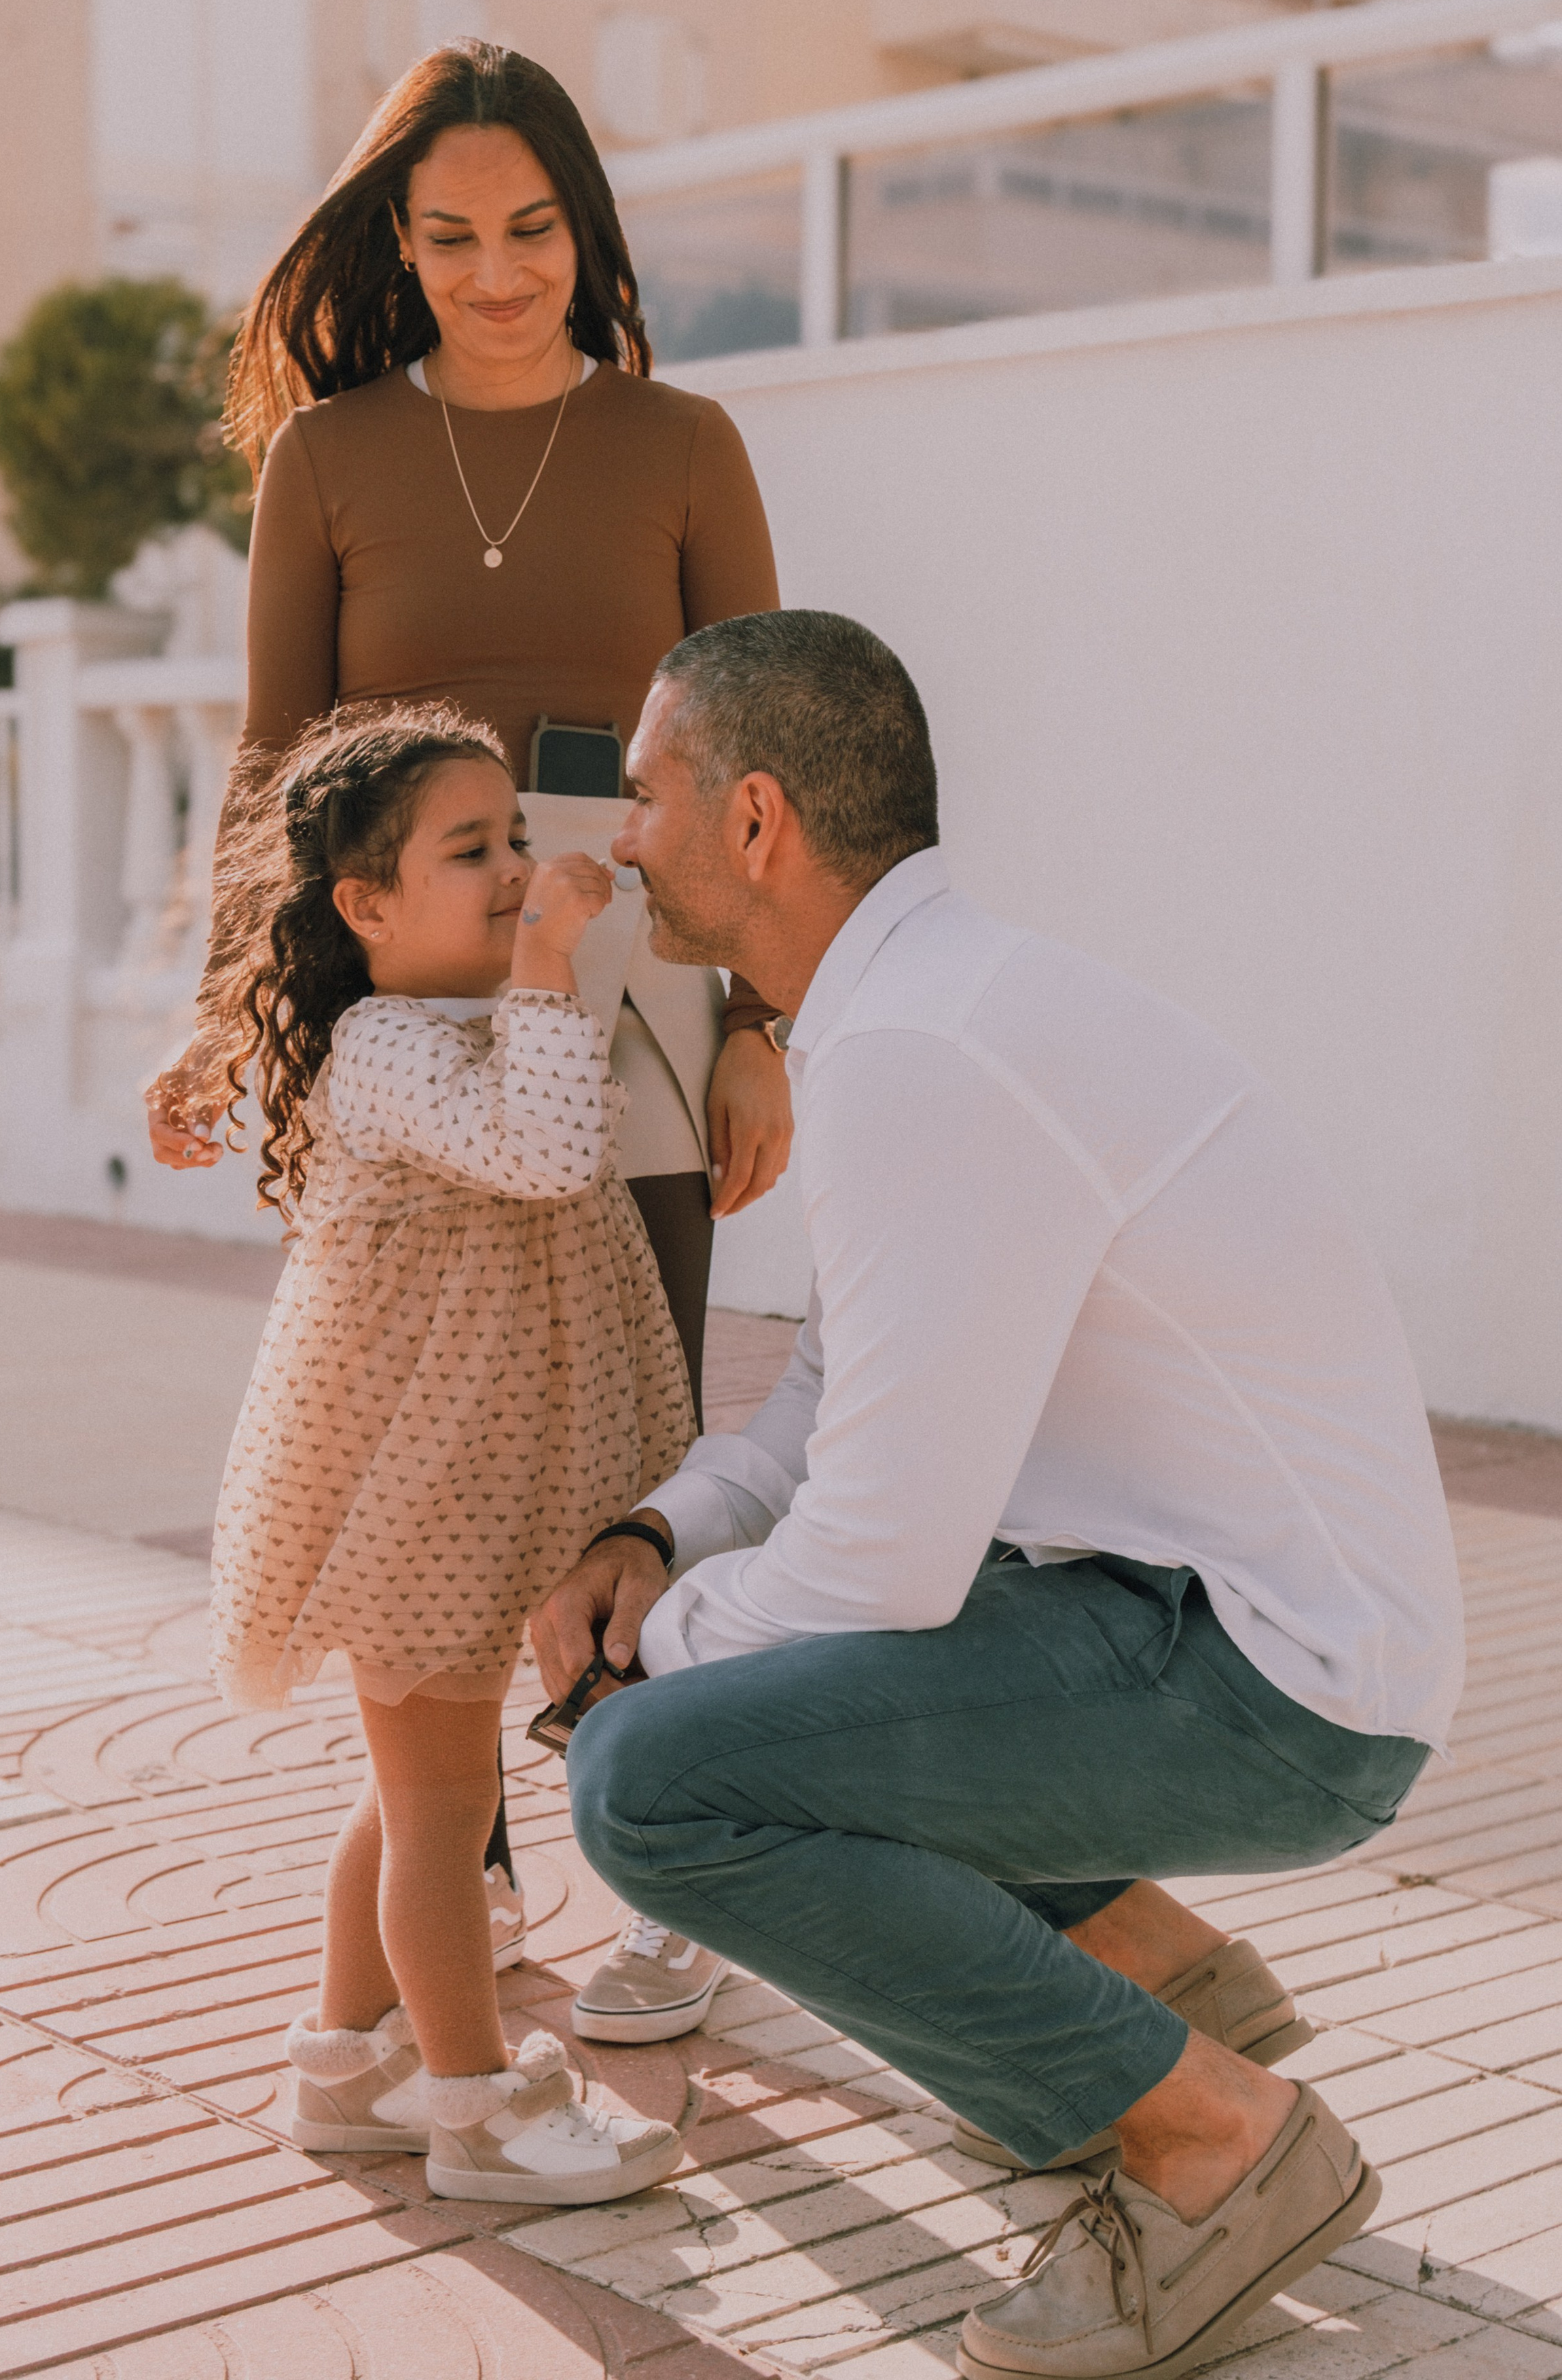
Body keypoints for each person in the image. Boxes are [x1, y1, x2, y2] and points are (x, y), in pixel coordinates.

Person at [533, 609, 1466, 2378]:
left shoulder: (918, 1051)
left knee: (655, 1784)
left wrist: (651, 1657)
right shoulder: (923, 1009)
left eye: (643, 796)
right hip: (1205, 1619)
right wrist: (657, 1540)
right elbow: (823, 1413)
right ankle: (1158, 1985)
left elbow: (880, 1557)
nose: (617, 837)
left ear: (753, 821)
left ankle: (1211, 2142)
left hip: (1277, 1686)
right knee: (748, 1698)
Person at [145, 37, 791, 1948]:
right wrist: (216, 1015)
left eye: (533, 230)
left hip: (635, 1007)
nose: (498, 273)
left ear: (583, 231)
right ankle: (463, 1875)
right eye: (450, 237)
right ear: (398, 244)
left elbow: (753, 766)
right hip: (401, 1027)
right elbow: (274, 756)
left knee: (628, 1457)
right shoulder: (329, 457)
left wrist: (757, 1033)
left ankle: (661, 1880)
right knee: (430, 1459)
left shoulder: (687, 446)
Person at [204, 702, 691, 2206]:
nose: (509, 870)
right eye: (468, 850)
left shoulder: (475, 1025)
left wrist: (543, 974)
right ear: (364, 906)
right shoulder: (387, 1046)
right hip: (415, 1494)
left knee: (417, 1786)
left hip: (478, 1481)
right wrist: (550, 963)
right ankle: (473, 2106)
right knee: (438, 1807)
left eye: (514, 840)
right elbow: (543, 1155)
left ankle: (347, 2061)